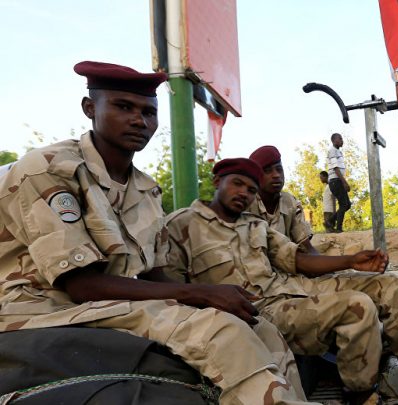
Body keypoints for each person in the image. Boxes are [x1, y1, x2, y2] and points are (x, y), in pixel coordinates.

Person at [0, 61, 311, 405]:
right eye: (123, 107)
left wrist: (211, 298)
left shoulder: (145, 190)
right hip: (43, 306)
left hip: (107, 302)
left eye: (148, 112)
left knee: (258, 324)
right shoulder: (48, 170)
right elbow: (80, 284)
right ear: (90, 108)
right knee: (220, 333)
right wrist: (201, 293)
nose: (139, 120)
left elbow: (154, 274)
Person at [163, 157, 398, 402]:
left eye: (251, 190)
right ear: (217, 181)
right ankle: (360, 393)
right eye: (237, 184)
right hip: (256, 311)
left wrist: (351, 261)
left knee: (387, 284)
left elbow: (299, 260)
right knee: (357, 306)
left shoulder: (256, 225)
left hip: (290, 289)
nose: (243, 193)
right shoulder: (181, 225)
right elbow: (171, 290)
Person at [248, 145, 319, 254]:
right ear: (255, 177)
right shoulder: (247, 203)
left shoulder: (290, 202)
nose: (276, 175)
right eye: (267, 171)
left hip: (285, 261)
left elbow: (307, 248)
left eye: (279, 169)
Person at [327, 133, 351, 232]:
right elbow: (336, 168)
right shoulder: (332, 151)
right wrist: (344, 182)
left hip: (338, 180)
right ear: (334, 140)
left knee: (347, 204)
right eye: (340, 139)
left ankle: (330, 221)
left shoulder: (338, 152)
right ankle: (339, 228)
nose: (342, 141)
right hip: (335, 181)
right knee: (344, 204)